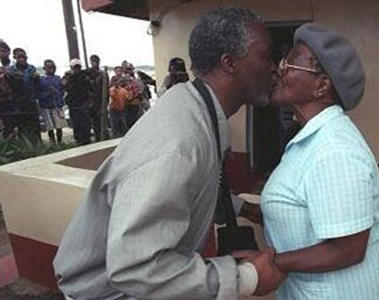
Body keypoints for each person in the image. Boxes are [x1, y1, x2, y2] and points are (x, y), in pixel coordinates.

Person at [53, 7, 283, 299]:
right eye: (266, 55)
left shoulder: (194, 109)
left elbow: (184, 188)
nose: (274, 67)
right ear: (230, 63)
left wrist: (242, 208)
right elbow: (136, 267)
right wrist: (246, 278)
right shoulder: (179, 142)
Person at [237, 23, 379, 299]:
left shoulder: (335, 150)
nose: (278, 69)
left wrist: (270, 263)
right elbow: (302, 211)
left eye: (289, 63)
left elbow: (349, 249)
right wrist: (245, 208)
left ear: (322, 86)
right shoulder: (312, 138)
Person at [7, 48, 41, 144]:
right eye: (19, 57)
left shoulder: (32, 68)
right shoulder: (11, 70)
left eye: (24, 57)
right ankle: (25, 147)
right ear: (15, 58)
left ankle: (38, 145)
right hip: (18, 103)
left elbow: (37, 85)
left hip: (31, 101)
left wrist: (36, 79)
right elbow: (10, 87)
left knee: (35, 125)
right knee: (22, 126)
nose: (22, 59)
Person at [63, 59, 91, 145]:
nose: (77, 69)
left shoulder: (85, 77)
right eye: (75, 67)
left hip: (83, 105)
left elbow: (89, 89)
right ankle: (79, 141)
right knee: (76, 125)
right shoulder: (68, 78)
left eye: (78, 67)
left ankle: (86, 141)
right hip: (73, 106)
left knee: (85, 125)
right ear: (71, 68)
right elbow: (64, 87)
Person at [38, 59, 66, 144]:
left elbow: (61, 91)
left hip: (57, 106)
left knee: (59, 125)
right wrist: (48, 92)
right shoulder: (41, 79)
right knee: (50, 127)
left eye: (52, 67)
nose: (51, 69)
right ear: (44, 68)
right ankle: (53, 142)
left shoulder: (58, 78)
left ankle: (60, 142)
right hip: (46, 106)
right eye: (48, 67)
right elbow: (38, 94)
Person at [86, 54, 109, 141]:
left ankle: (102, 136)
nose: (95, 63)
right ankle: (95, 137)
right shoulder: (88, 72)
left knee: (101, 120)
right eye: (93, 61)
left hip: (101, 100)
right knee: (93, 121)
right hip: (91, 101)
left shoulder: (103, 74)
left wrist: (106, 102)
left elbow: (106, 88)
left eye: (96, 61)